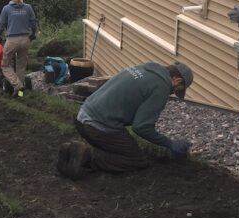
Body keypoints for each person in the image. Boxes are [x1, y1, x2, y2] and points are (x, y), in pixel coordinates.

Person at [57, 62, 194, 180]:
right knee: (136, 160)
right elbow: (141, 127)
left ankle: (71, 151)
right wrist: (169, 143)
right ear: (177, 80)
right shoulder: (161, 86)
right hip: (98, 125)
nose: (172, 93)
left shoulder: (144, 68)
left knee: (120, 146)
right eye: (177, 90)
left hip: (83, 117)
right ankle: (87, 155)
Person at [0, 0, 37, 96]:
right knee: (21, 66)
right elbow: (33, 23)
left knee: (4, 65)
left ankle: (17, 86)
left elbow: (1, 25)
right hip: (25, 39)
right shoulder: (28, 8)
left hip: (12, 40)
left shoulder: (6, 8)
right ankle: (20, 94)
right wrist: (33, 34)